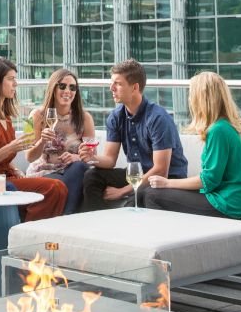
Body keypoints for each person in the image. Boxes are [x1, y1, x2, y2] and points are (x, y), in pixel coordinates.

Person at [0, 57, 68, 220]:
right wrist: (11, 147)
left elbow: (4, 158)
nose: (16, 84)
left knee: (58, 187)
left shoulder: (5, 117)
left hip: (8, 177)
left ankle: (28, 231)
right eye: (11, 79)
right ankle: (28, 235)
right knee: (54, 188)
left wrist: (16, 169)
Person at [79, 59, 188, 211]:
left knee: (135, 201)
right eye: (112, 83)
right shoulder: (115, 117)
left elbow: (160, 170)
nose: (111, 88)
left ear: (135, 87)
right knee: (92, 176)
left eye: (118, 83)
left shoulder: (158, 118)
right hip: (137, 173)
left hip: (166, 179)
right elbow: (110, 160)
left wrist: (121, 192)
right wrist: (92, 158)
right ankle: (98, 223)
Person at [144, 72, 241, 219]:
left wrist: (168, 183)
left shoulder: (218, 130)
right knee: (151, 192)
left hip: (227, 203)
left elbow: (209, 180)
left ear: (202, 98)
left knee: (152, 195)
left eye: (192, 94)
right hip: (232, 198)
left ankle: (166, 240)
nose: (189, 99)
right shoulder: (227, 126)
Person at [25, 68, 95, 214]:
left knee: (79, 167)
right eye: (62, 86)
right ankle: (65, 218)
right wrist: (42, 142)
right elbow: (29, 157)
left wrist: (76, 157)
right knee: (64, 181)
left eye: (72, 87)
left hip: (73, 171)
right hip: (44, 171)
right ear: (53, 88)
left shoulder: (85, 118)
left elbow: (92, 156)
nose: (67, 91)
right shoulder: (35, 115)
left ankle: (64, 217)